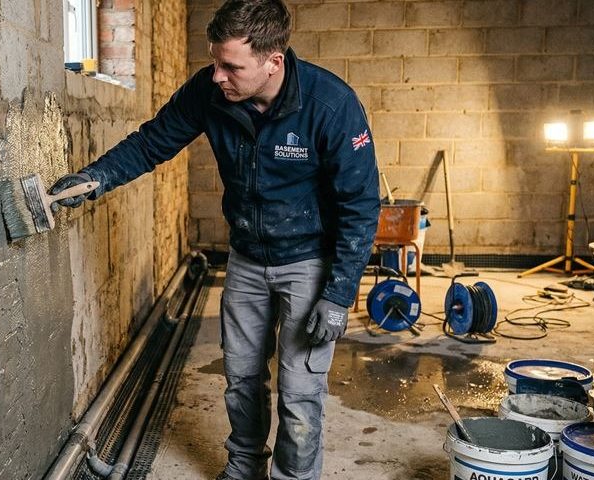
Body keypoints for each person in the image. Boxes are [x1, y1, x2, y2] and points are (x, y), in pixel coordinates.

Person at [50, 0, 378, 477]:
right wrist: (95, 178)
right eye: (215, 61)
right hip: (246, 258)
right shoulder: (210, 92)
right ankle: (244, 466)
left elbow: (361, 203)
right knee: (241, 377)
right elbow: (151, 142)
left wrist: (340, 293)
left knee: (300, 392)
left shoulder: (331, 105)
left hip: (308, 262)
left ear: (273, 62)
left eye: (232, 67)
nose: (218, 75)